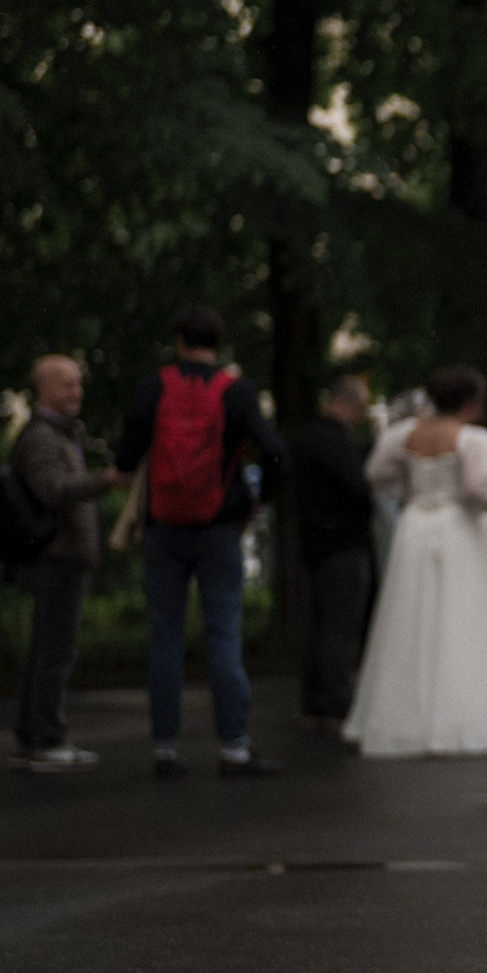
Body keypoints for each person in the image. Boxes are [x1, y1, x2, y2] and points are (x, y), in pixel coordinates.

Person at [115, 305, 287, 779]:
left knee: (165, 636)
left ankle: (165, 750)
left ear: (178, 339)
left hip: (163, 526)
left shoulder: (155, 387)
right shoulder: (236, 392)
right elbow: (273, 450)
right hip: (218, 528)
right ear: (218, 340)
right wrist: (258, 500)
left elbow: (126, 457)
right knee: (223, 635)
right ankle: (234, 747)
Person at [345, 368, 487, 756]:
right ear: (469, 403)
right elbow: (481, 487)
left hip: (414, 525)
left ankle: (402, 719)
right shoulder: (472, 439)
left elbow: (375, 472)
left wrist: (409, 493)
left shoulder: (404, 434)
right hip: (458, 526)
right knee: (465, 617)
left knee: (408, 617)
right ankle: (469, 716)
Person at [9, 354, 125, 772]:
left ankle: (34, 734)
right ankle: (46, 737)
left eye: (78, 383)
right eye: (66, 385)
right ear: (44, 389)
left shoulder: (58, 432)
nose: (76, 392)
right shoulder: (43, 437)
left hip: (60, 558)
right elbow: (53, 489)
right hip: (56, 559)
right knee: (54, 652)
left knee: (48, 649)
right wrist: (106, 480)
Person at [291, 377, 376, 736]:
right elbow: (358, 490)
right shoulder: (334, 440)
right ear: (348, 403)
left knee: (320, 624)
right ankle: (334, 702)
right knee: (339, 628)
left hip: (316, 544)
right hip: (342, 544)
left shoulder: (308, 438)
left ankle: (314, 700)